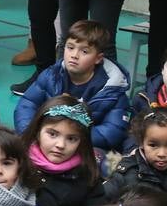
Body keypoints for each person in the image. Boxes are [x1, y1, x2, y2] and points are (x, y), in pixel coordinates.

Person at [13, 20, 130, 152]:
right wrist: (33, 133)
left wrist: (72, 139)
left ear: (98, 58)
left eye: (84, 51)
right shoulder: (51, 75)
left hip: (86, 148)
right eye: (70, 47)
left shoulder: (112, 89)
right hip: (48, 140)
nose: (74, 55)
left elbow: (113, 131)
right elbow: (27, 104)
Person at [21, 97, 105, 206]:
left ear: (81, 142)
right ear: (38, 132)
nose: (60, 145)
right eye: (53, 134)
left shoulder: (88, 176)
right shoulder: (17, 162)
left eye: (71, 138)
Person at [103, 107, 167, 202]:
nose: (161, 154)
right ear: (141, 142)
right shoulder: (127, 174)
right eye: (153, 145)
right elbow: (100, 203)